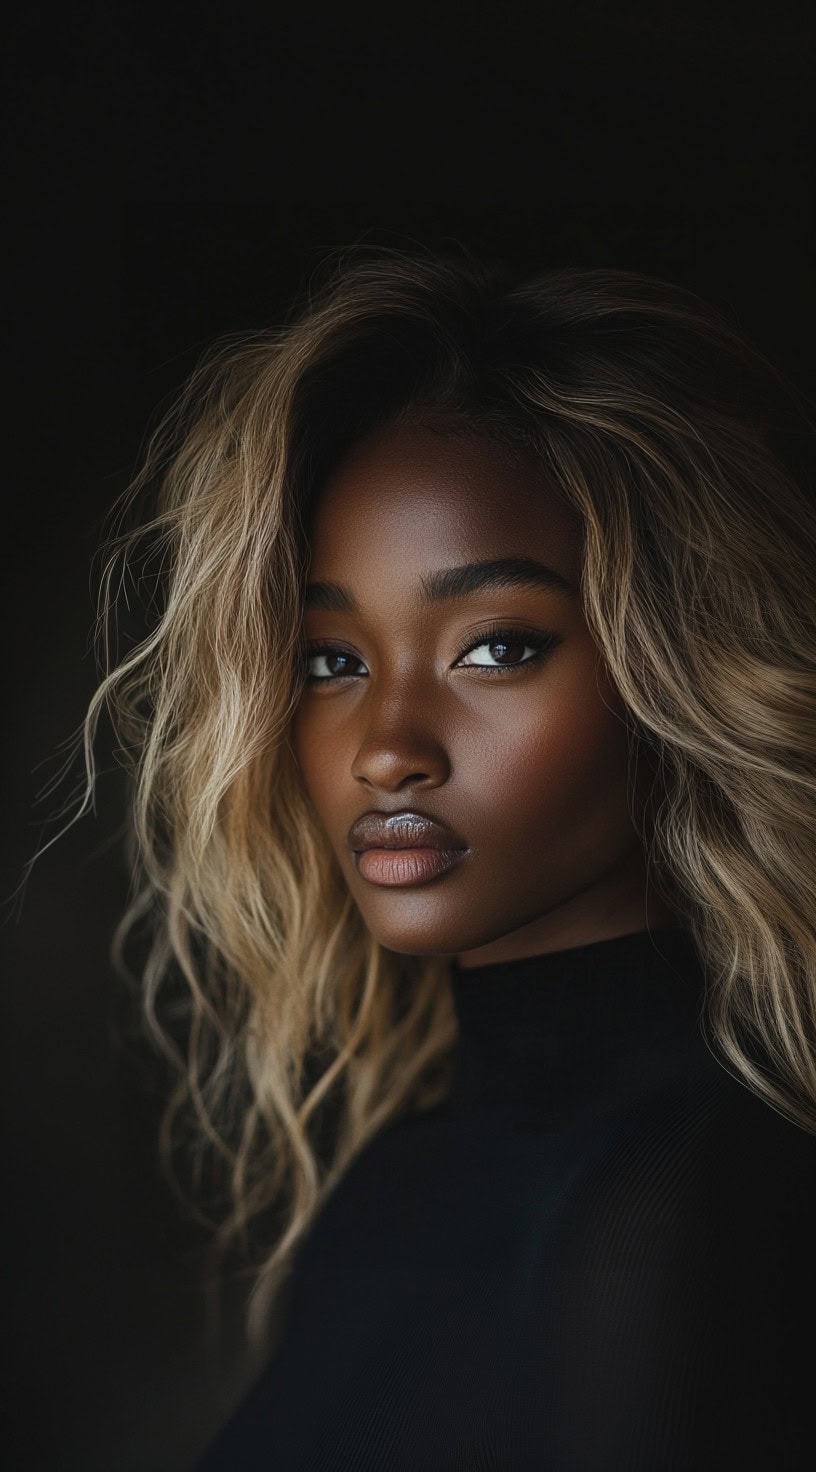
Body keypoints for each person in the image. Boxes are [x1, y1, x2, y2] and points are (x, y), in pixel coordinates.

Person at [78, 246, 816, 1468]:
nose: (386, 748)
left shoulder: (692, 1207)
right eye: (334, 659)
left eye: (496, 648)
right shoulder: (399, 1183)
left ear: (677, 667)